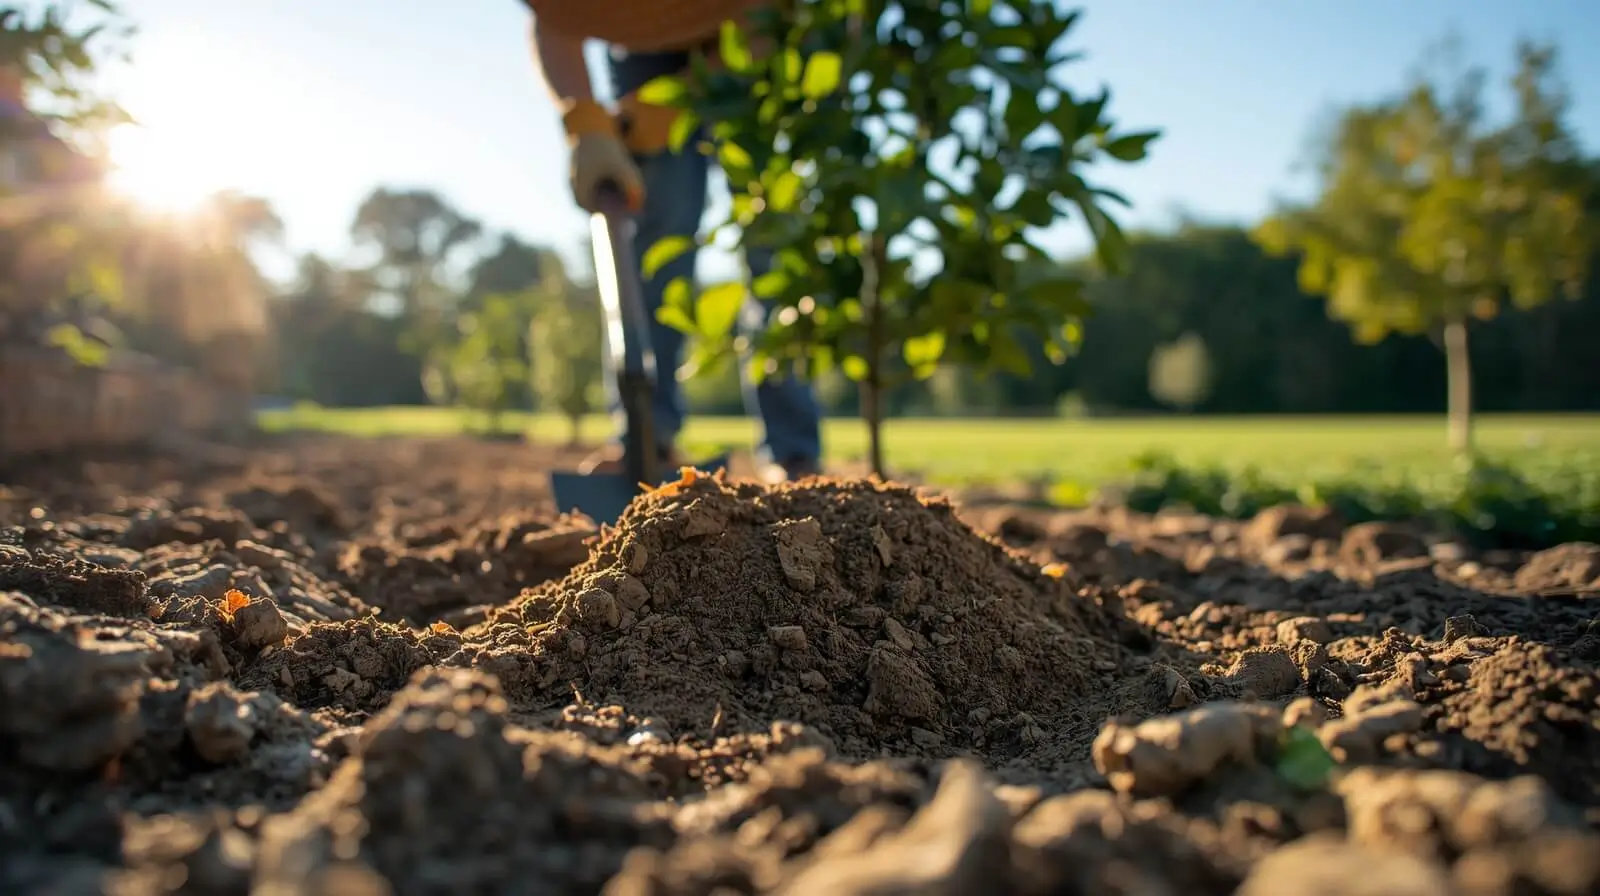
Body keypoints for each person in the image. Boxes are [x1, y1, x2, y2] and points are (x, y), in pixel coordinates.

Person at [517, 0, 823, 484]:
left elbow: (775, 18)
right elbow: (554, 24)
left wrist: (685, 94)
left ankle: (794, 453)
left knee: (774, 240)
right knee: (660, 233)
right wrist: (585, 122)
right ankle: (645, 439)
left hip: (762, 32)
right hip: (645, 55)